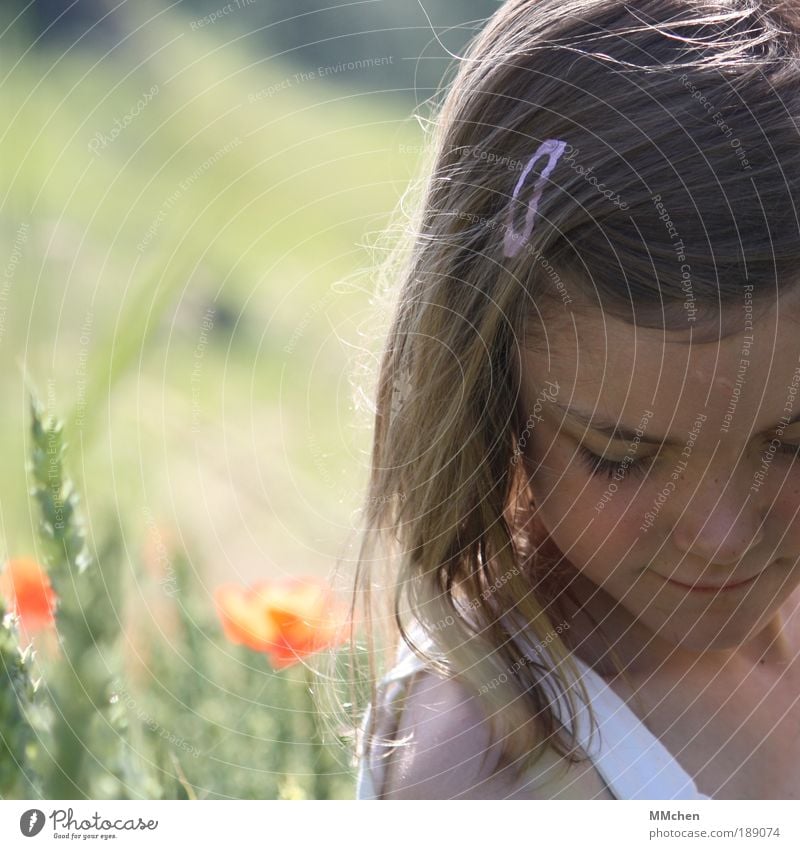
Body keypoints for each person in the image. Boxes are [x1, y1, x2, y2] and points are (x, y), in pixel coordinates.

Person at [351, 0, 800, 800]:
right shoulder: (491, 773)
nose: (725, 534)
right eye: (621, 457)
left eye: (793, 442)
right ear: (494, 399)